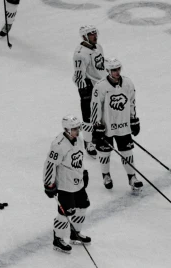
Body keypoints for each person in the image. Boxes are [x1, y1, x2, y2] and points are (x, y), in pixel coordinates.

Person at [91, 57, 143, 192]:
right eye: (113, 70)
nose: (117, 72)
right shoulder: (100, 86)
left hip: (123, 124)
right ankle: (106, 175)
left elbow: (132, 102)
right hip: (106, 126)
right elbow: (95, 106)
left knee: (127, 151)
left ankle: (132, 177)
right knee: (104, 153)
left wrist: (133, 119)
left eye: (118, 69)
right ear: (108, 70)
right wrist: (97, 125)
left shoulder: (128, 83)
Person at [43, 115, 91, 254]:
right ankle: (58, 239)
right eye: (75, 129)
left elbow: (79, 159)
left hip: (78, 182)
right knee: (65, 213)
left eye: (78, 128)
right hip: (65, 185)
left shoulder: (78, 140)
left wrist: (83, 173)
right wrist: (49, 184)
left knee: (83, 207)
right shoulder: (58, 145)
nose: (78, 131)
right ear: (67, 129)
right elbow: (50, 165)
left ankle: (75, 233)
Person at [72, 25, 105, 158]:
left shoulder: (98, 47)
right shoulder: (80, 54)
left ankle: (100, 137)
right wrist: (84, 92)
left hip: (102, 85)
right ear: (85, 36)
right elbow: (79, 75)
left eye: (95, 33)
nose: (95, 36)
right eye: (91, 34)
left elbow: (101, 66)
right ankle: (88, 142)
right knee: (88, 117)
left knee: (102, 114)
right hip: (88, 87)